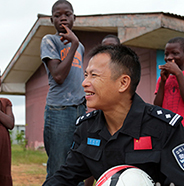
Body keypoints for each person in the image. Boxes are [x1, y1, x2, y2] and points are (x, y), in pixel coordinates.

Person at [43, 44, 184, 186]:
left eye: (94, 75)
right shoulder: (86, 128)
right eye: (86, 75)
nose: (85, 83)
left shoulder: (165, 128)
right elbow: (66, 176)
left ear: (123, 83)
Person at [40, 0, 88, 184]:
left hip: (80, 109)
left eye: (67, 14)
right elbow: (59, 76)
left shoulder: (80, 47)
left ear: (74, 17)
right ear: (52, 19)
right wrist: (73, 44)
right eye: (58, 15)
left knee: (78, 163)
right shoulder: (50, 41)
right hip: (60, 110)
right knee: (59, 166)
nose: (63, 18)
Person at [154, 37, 184, 126]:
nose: (169, 57)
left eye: (175, 53)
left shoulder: (180, 75)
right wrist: (162, 82)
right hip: (167, 128)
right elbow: (157, 106)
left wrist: (178, 73)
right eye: (166, 54)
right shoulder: (162, 79)